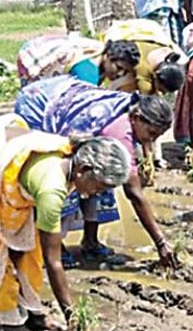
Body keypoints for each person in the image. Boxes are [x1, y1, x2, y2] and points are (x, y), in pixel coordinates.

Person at [0, 113, 130, 331]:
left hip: (1, 141)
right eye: (101, 186)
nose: (99, 193)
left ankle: (33, 312)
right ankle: (11, 324)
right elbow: (54, 263)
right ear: (83, 169)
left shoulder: (70, 162)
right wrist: (73, 318)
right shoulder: (51, 189)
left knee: (27, 244)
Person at [14, 76, 177, 269]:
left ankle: (90, 241)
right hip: (40, 104)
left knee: (103, 179)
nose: (149, 141)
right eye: (150, 134)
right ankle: (52, 245)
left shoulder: (131, 112)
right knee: (66, 181)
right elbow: (133, 193)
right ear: (136, 118)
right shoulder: (119, 131)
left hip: (64, 98)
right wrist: (160, 242)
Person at [16, 34, 140, 88]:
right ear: (108, 57)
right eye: (118, 67)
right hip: (31, 58)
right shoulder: (87, 71)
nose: (120, 74)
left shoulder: (99, 56)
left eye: (125, 72)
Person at [103, 19, 186, 95]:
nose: (161, 93)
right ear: (156, 76)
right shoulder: (143, 77)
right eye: (161, 90)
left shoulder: (169, 53)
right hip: (114, 55)